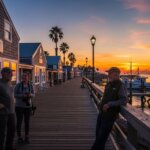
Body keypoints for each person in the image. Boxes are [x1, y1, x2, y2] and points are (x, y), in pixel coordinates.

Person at [91, 67, 128, 150]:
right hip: (102, 114)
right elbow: (106, 96)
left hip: (110, 116)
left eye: (110, 74)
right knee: (98, 136)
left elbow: (124, 100)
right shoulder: (109, 84)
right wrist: (101, 103)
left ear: (116, 75)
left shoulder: (120, 85)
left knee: (101, 138)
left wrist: (110, 104)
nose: (108, 75)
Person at [14, 72, 35, 144]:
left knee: (27, 122)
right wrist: (22, 96)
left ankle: (27, 136)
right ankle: (19, 137)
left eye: (26, 77)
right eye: (23, 77)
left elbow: (33, 94)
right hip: (19, 106)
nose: (24, 78)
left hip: (28, 106)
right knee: (19, 122)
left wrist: (30, 95)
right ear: (22, 78)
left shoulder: (30, 85)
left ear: (28, 77)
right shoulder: (18, 85)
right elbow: (14, 94)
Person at [0, 67, 16, 150]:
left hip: (12, 112)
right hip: (3, 113)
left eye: (11, 73)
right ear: (3, 74)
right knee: (1, 133)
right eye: (9, 73)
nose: (11, 75)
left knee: (12, 130)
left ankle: (8, 147)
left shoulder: (10, 83)